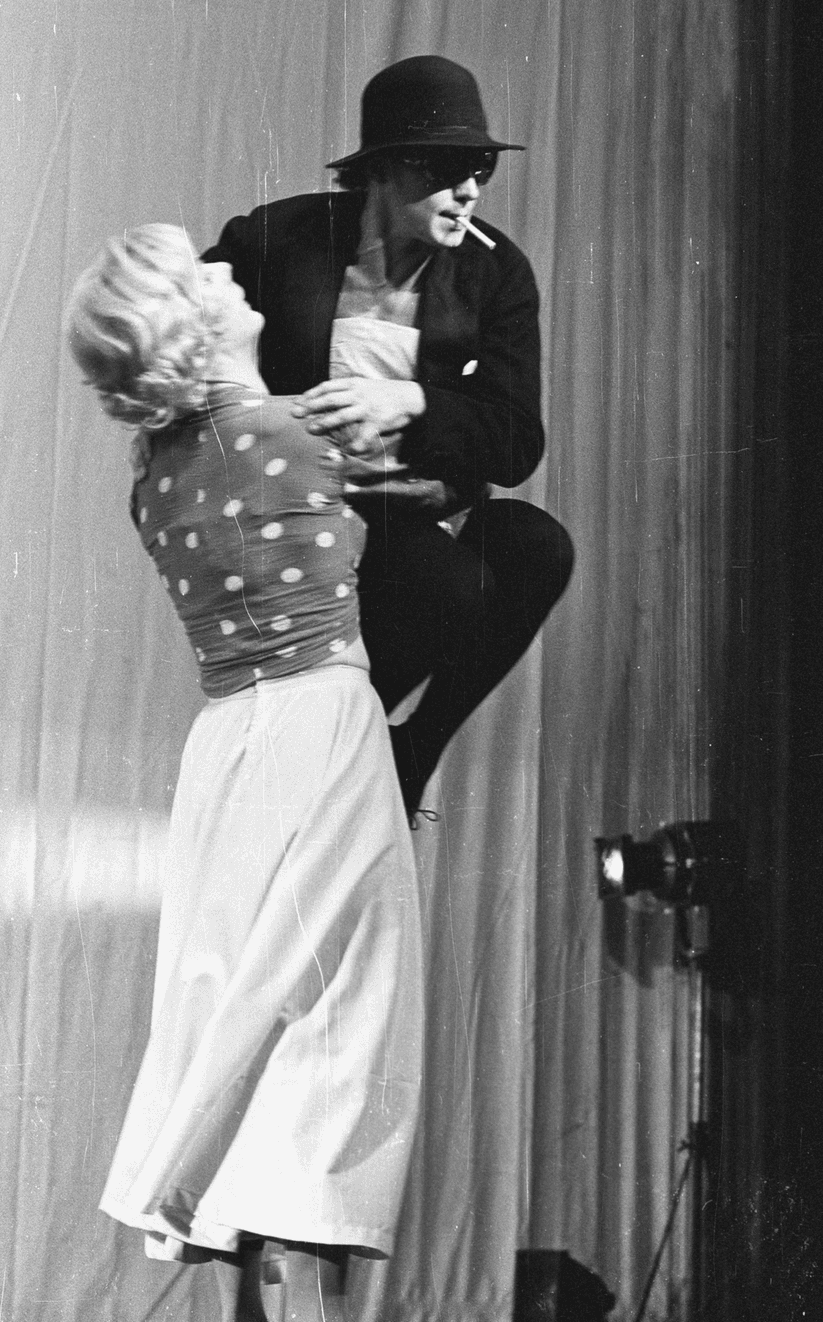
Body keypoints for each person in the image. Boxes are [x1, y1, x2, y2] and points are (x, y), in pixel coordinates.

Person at [66, 223, 423, 1322]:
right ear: (195, 322)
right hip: (321, 727)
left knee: (237, 1024)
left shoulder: (155, 473)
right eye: (209, 277)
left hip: (227, 748)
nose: (236, 279)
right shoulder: (284, 438)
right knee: (339, 1019)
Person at [205, 55, 574, 820]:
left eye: (481, 167)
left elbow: (515, 443)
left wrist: (408, 400)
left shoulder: (495, 273)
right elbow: (187, 323)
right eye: (449, 167)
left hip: (404, 513)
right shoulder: (280, 237)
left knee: (534, 546)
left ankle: (410, 749)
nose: (470, 187)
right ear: (386, 168)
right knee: (451, 587)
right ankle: (332, 750)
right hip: (302, 518)